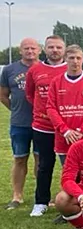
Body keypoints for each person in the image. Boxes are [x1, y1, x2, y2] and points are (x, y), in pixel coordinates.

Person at [26, 35, 67, 217]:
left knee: (71, 166)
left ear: (64, 49)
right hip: (43, 126)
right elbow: (29, 95)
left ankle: (71, 200)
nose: (55, 50)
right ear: (45, 49)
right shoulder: (35, 70)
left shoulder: (70, 67)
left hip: (67, 128)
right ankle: (41, 201)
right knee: (44, 164)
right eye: (51, 47)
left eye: (58, 47)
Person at [1, 38, 41, 210]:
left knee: (41, 160)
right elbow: (3, 95)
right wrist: (15, 109)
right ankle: (17, 196)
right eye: (26, 48)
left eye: (33, 48)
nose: (30, 51)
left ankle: (41, 196)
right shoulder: (10, 70)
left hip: (41, 123)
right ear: (20, 50)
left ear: (39, 50)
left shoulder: (45, 68)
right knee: (19, 159)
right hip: (19, 123)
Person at [46, 45, 83, 162]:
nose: (75, 61)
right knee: (69, 174)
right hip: (65, 137)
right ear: (65, 59)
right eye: (71, 58)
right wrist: (65, 130)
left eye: (78, 58)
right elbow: (51, 108)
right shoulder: (56, 82)